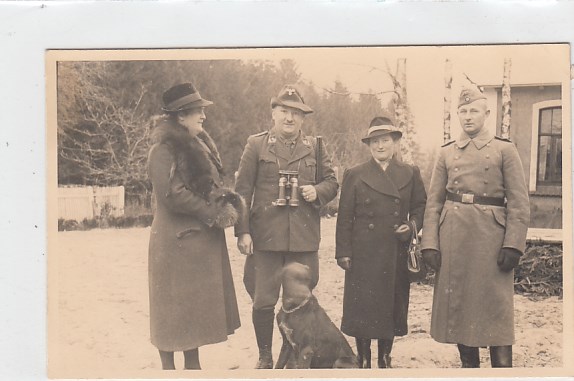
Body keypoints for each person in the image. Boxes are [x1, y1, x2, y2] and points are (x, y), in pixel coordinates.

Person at [421, 87, 530, 368]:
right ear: (458, 114)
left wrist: (513, 244)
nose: (468, 117)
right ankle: (470, 370)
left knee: (496, 311)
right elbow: (434, 202)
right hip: (454, 236)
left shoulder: (504, 149)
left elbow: (519, 202)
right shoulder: (447, 153)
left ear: (487, 113)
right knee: (459, 309)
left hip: (491, 239)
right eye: (463, 111)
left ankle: (502, 371)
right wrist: (430, 243)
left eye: (474, 111)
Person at [234, 84, 339, 368]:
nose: (289, 118)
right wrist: (242, 231)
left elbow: (332, 182)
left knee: (300, 301)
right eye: (284, 111)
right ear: (273, 114)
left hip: (302, 239)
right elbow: (242, 190)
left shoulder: (316, 147)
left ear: (303, 118)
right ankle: (265, 355)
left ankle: (291, 354)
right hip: (266, 238)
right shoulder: (256, 145)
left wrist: (317, 192)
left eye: (295, 113)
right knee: (263, 299)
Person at [147, 82, 241, 370]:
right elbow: (172, 194)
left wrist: (222, 199)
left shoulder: (197, 145)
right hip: (174, 246)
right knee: (171, 316)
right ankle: (169, 371)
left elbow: (206, 184)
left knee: (191, 316)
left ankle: (192, 368)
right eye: (197, 111)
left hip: (194, 245)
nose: (203, 116)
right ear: (179, 116)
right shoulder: (162, 149)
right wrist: (211, 211)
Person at [335, 116, 427, 368]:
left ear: (395, 142)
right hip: (363, 252)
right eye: (374, 141)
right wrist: (343, 252)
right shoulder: (355, 174)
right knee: (362, 306)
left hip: (394, 250)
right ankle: (364, 359)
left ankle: (385, 358)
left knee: (391, 305)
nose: (380, 146)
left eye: (385, 140)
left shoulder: (410, 172)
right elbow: (344, 217)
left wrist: (411, 226)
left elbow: (421, 206)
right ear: (369, 145)